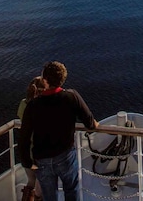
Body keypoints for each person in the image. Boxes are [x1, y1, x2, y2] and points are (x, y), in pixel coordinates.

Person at [18, 61, 98, 201]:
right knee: (71, 190)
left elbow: (24, 138)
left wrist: (27, 162)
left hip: (42, 161)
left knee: (50, 197)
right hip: (65, 157)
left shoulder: (32, 106)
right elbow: (90, 123)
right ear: (62, 80)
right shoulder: (71, 97)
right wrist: (95, 124)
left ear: (45, 80)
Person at [18, 76, 48, 201]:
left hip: (26, 151)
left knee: (31, 180)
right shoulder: (42, 109)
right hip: (39, 153)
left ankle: (27, 197)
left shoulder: (22, 104)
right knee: (42, 185)